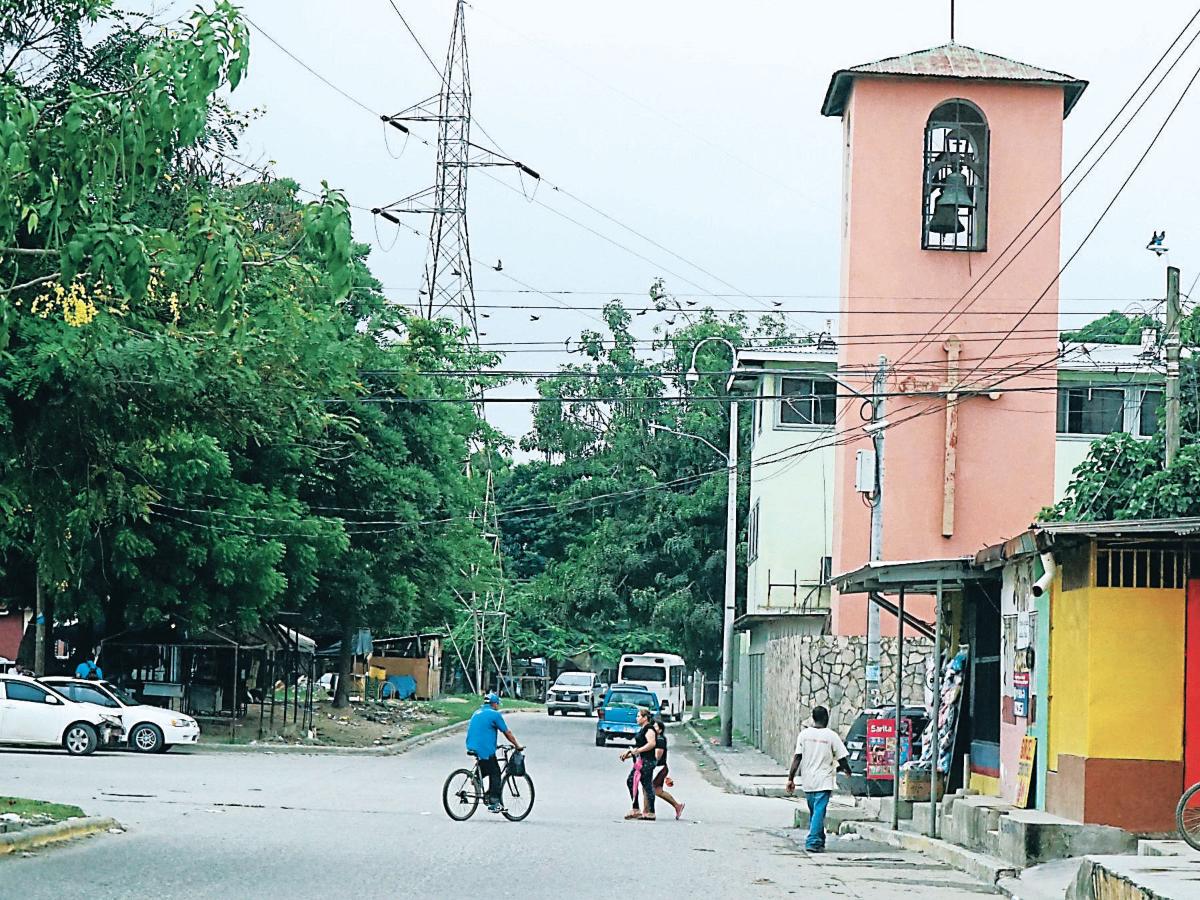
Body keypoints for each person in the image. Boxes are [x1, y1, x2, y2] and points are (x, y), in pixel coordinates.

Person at [786, 705, 851, 852]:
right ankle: (813, 841)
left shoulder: (804, 735)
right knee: (818, 812)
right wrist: (847, 770)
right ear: (826, 718)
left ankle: (820, 839)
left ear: (813, 718)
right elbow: (842, 758)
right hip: (824, 780)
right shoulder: (831, 736)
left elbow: (797, 757)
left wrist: (791, 778)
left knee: (815, 811)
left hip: (808, 780)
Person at [465, 692, 522, 813]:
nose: (498, 707)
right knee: (495, 772)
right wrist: (517, 745)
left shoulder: (477, 712)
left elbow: (482, 731)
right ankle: (494, 801)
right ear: (494, 704)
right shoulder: (495, 715)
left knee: (486, 766)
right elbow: (507, 733)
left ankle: (475, 779)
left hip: (472, 745)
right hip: (484, 749)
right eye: (497, 704)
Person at [620, 707, 658, 820]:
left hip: (647, 761)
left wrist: (638, 751)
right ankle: (645, 810)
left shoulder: (649, 730)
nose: (636, 718)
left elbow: (651, 744)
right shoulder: (642, 729)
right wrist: (629, 753)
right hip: (641, 760)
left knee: (634, 781)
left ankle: (641, 809)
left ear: (645, 718)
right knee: (643, 784)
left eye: (638, 716)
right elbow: (640, 746)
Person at [651, 717, 685, 820]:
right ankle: (677, 806)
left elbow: (658, 755)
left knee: (651, 789)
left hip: (659, 768)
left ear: (660, 729)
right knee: (657, 790)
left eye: (655, 727)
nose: (653, 728)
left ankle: (648, 811)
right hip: (660, 768)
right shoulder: (655, 738)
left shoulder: (660, 739)